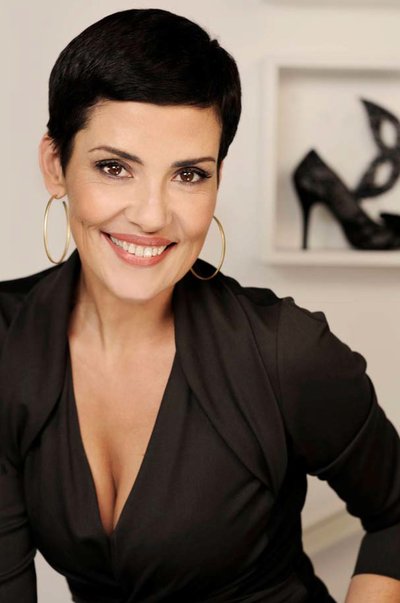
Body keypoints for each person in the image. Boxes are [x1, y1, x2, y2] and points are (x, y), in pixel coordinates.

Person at [0, 8, 399, 603]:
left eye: (188, 174)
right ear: (56, 165)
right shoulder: (7, 341)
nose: (153, 215)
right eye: (114, 168)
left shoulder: (284, 351)